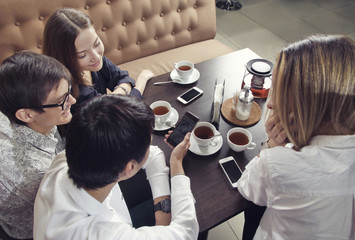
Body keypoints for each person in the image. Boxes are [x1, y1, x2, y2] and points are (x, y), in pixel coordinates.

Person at [237, 35, 355, 239]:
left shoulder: (278, 164)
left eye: (281, 92)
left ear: (308, 104)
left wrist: (272, 145)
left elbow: (246, 188)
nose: (271, 104)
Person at [34, 94, 199, 240]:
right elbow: (186, 231)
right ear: (130, 168)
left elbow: (154, 154)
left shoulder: (64, 159)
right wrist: (176, 163)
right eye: (148, 144)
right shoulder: (107, 235)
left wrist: (162, 213)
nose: (151, 147)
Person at [0, 51, 76, 239]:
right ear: (26, 115)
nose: (72, 101)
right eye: (62, 101)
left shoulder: (39, 117)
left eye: (69, 92)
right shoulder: (36, 172)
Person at [43, 8, 154, 113]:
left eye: (96, 44)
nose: (96, 56)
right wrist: (141, 81)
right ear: (65, 58)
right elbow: (119, 111)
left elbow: (123, 78)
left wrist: (116, 94)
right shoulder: (69, 89)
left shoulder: (94, 61)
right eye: (82, 55)